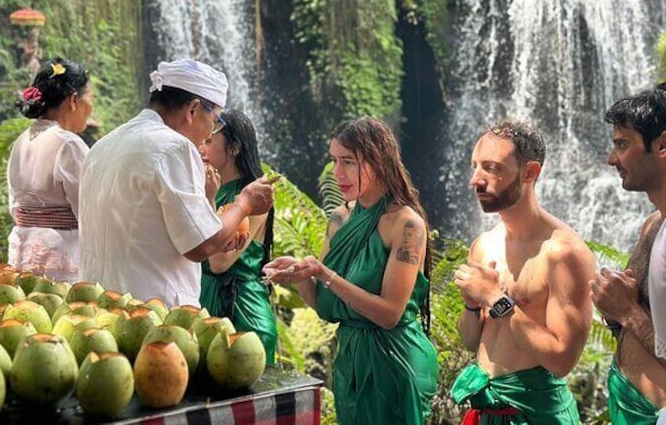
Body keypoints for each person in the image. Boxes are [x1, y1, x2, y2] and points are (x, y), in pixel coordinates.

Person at [264, 117, 438, 424]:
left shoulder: (407, 224)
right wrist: (303, 276)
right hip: (350, 365)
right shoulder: (340, 218)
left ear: (378, 161)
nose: (337, 172)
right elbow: (327, 308)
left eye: (348, 162)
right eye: (334, 160)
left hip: (397, 364)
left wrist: (325, 274)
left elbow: (389, 314)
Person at [79, 59, 276, 307]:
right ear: (193, 110)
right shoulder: (174, 147)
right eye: (215, 121)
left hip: (99, 306)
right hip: (150, 312)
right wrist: (244, 203)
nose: (209, 135)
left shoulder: (104, 144)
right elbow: (201, 244)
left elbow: (149, 228)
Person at [451, 120, 595, 424]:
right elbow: (470, 340)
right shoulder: (484, 245)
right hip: (486, 412)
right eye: (474, 166)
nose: (476, 180)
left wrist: (494, 297)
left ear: (530, 173)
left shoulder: (562, 253)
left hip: (537, 414)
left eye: (492, 168)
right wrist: (471, 304)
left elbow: (562, 360)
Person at [591, 85, 666, 425]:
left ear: (662, 145)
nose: (611, 159)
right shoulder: (652, 226)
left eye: (622, 144)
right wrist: (614, 309)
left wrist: (627, 311)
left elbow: (633, 315)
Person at [199, 109, 278, 364]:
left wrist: (209, 200)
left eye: (210, 142)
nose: (202, 148)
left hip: (243, 311)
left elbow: (220, 262)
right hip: (206, 302)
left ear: (234, 148)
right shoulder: (211, 187)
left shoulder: (255, 196)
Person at [7, 58, 92, 283]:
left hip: (22, 254)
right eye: (91, 98)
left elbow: (13, 206)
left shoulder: (21, 141)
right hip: (62, 258)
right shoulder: (69, 145)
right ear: (74, 100)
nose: (91, 107)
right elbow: (90, 214)